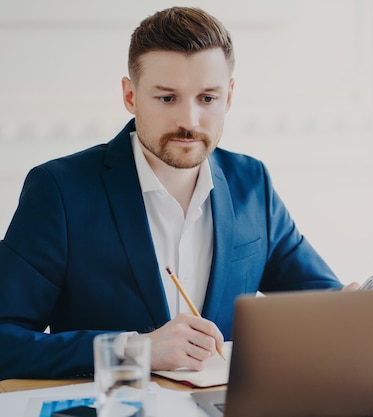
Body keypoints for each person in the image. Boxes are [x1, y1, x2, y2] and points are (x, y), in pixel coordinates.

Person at [0, 7, 354, 380]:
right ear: (130, 95)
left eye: (207, 98)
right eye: (167, 98)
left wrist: (359, 309)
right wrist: (137, 350)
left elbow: (323, 305)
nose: (189, 120)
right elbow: (5, 341)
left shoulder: (253, 182)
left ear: (229, 96)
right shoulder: (59, 189)